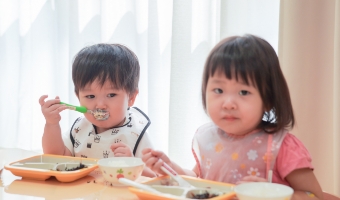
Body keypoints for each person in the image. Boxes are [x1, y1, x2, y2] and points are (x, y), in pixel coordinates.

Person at [142, 34, 324, 199]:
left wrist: (273, 194)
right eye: (218, 90)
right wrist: (171, 168)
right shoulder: (208, 138)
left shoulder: (280, 146)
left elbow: (315, 195)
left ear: (268, 99)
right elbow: (200, 181)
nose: (228, 103)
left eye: (244, 92)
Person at [39, 43, 156, 177]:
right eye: (90, 96)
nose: (100, 105)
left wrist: (132, 163)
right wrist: (51, 124)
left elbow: (155, 177)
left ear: (131, 97)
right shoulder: (80, 128)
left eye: (111, 95)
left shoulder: (136, 133)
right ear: (78, 97)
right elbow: (56, 157)